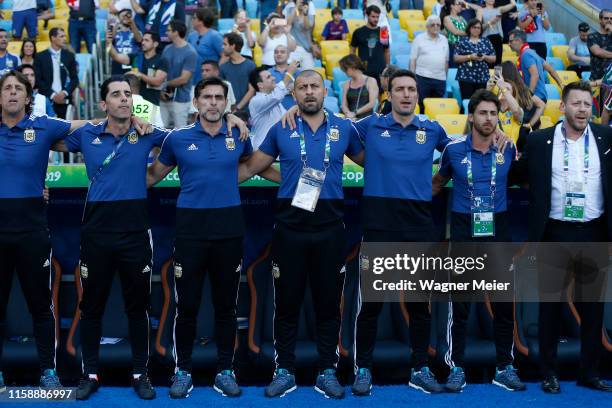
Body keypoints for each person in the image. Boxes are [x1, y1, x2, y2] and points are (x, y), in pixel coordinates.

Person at [0, 70, 145, 394]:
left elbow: (90, 126)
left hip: (32, 231)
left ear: (29, 97)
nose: (11, 93)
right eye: (6, 88)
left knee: (40, 306)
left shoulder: (45, 125)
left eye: (17, 89)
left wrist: (129, 119)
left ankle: (48, 371)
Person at [239, 70, 365, 399]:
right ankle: (285, 371)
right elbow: (252, 166)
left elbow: (372, 160)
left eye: (314, 87)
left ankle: (328, 371)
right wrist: (286, 177)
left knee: (328, 305)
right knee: (288, 304)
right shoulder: (282, 127)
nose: (309, 92)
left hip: (330, 230)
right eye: (302, 87)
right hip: (289, 230)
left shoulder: (343, 128)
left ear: (325, 92)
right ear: (293, 94)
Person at [145, 77, 271, 399]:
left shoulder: (239, 135)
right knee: (186, 306)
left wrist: (296, 181)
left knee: (226, 307)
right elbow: (152, 176)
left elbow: (255, 166)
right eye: (207, 97)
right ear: (196, 102)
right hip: (190, 232)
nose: (213, 102)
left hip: (229, 231)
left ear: (226, 103)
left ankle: (225, 371)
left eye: (219, 97)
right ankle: (183, 371)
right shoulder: (177, 139)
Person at [56, 76, 167, 400]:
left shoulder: (146, 133)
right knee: (91, 307)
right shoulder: (87, 134)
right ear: (103, 104)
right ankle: (89, 374)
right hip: (96, 234)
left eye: (127, 95)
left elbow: (184, 139)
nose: (124, 99)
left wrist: (230, 116)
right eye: (116, 95)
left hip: (135, 234)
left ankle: (140, 373)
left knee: (138, 307)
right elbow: (46, 137)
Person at [510, 81, 612, 394]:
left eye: (586, 104)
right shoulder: (541, 141)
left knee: (593, 308)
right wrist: (508, 145)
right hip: (554, 231)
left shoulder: (606, 137)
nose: (582, 109)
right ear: (563, 107)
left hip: (594, 231)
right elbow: (517, 176)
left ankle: (590, 373)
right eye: (576, 104)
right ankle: (548, 372)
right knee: (550, 306)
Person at [432, 90, 525, 392]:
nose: (488, 119)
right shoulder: (453, 150)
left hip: (498, 231)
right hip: (463, 230)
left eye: (493, 114)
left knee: (503, 305)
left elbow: (522, 127)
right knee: (461, 305)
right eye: (483, 113)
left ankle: (504, 366)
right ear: (471, 116)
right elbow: (435, 185)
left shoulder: (507, 148)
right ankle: (456, 366)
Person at [110, 31, 168, 106]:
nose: (143, 42)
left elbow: (157, 81)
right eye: (143, 40)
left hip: (152, 103)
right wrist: (109, 44)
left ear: (155, 44)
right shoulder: (136, 57)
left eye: (146, 40)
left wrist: (139, 75)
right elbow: (116, 56)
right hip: (134, 102)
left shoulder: (161, 60)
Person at [248, 62, 298, 149]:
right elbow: (277, 95)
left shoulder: (273, 97)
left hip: (277, 149)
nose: (274, 78)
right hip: (262, 150)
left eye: (271, 75)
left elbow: (280, 90)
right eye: (269, 77)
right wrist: (289, 74)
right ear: (260, 85)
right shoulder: (255, 101)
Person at [495, 61, 546, 145]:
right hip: (514, 128)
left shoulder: (523, 90)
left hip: (522, 131)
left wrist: (530, 124)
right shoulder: (503, 91)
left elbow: (541, 104)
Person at [33, 28, 79, 119]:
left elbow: (74, 79)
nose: (65, 39)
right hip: (46, 100)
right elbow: (38, 79)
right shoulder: (40, 56)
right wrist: (53, 95)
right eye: (61, 36)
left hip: (64, 100)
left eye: (65, 36)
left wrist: (64, 93)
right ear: (53, 38)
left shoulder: (69, 56)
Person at [160, 20, 198, 129]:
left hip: (180, 100)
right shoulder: (167, 49)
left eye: (168, 30)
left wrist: (163, 85)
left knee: (179, 131)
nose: (166, 33)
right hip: (164, 97)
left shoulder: (190, 52)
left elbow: (184, 79)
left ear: (176, 32)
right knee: (162, 129)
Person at [508, 29, 562, 104]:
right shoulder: (531, 53)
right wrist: (561, 84)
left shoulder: (526, 54)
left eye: (511, 41)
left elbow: (535, 75)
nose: (509, 44)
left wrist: (529, 95)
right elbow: (549, 68)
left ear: (519, 40)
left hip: (535, 97)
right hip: (540, 97)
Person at [410, 15, 449, 113]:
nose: (436, 27)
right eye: (433, 25)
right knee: (422, 106)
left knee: (437, 108)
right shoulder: (419, 39)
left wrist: (444, 76)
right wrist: (413, 79)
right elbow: (413, 60)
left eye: (438, 25)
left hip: (440, 79)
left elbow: (446, 61)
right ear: (427, 26)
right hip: (422, 78)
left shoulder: (444, 39)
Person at [454, 18, 496, 100]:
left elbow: (494, 58)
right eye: (474, 27)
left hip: (482, 76)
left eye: (478, 28)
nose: (476, 29)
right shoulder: (462, 41)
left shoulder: (486, 41)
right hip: (466, 76)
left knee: (480, 101)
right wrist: (470, 57)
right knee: (467, 101)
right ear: (469, 28)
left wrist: (485, 57)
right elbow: (456, 58)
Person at [465, 0, 516, 66]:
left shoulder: (499, 9)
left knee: (498, 63)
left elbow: (513, 4)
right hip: (486, 39)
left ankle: (497, 76)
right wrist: (490, 22)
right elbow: (477, 28)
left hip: (498, 39)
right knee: (486, 63)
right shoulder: (481, 11)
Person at [350, 6, 390, 90]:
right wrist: (354, 66)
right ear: (367, 16)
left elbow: (386, 51)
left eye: (377, 17)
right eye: (373, 16)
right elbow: (352, 50)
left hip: (380, 70)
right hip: (364, 70)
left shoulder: (383, 31)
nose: (376, 19)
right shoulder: (358, 32)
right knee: (364, 95)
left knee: (380, 94)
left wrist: (387, 67)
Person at [220, 33, 257, 113]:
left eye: (225, 44)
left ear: (232, 46)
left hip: (247, 112)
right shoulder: (223, 67)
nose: (222, 47)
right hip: (228, 111)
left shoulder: (250, 65)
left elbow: (252, 90)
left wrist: (237, 108)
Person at [587, 8, 612, 121]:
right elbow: (598, 52)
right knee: (599, 115)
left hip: (610, 82)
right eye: (606, 18)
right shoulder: (592, 36)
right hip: (597, 81)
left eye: (611, 19)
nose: (609, 21)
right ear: (600, 20)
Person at [187, 8, 223, 83]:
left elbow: (225, 56)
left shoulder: (215, 36)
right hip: (192, 78)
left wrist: (215, 71)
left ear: (201, 21)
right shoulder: (191, 36)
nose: (192, 20)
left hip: (209, 79)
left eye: (194, 18)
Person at [339, 54, 379, 120]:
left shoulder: (371, 81)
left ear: (352, 67)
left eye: (345, 69)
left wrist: (354, 113)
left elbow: (372, 104)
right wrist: (348, 114)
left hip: (365, 118)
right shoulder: (347, 84)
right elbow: (344, 105)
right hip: (349, 117)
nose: (344, 72)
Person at [285, 0, 320, 69]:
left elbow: (307, 27)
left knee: (308, 74)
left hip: (307, 49)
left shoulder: (308, 13)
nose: (301, 2)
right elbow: (288, 23)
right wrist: (296, 7)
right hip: (294, 49)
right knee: (291, 73)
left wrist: (305, 14)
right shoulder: (291, 10)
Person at [110, 8, 143, 75]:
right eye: (123, 16)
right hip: (118, 61)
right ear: (118, 18)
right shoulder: (114, 30)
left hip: (133, 61)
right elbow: (110, 41)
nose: (126, 17)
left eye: (128, 15)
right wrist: (117, 24)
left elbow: (139, 40)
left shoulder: (136, 29)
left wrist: (132, 23)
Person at [268, 44, 301, 110]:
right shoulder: (268, 73)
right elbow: (270, 94)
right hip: (274, 112)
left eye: (282, 52)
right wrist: (288, 89)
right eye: (276, 52)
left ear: (288, 55)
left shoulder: (297, 72)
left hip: (295, 110)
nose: (279, 54)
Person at [441, 0, 467, 68]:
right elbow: (455, 32)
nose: (460, 6)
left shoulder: (462, 18)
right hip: (453, 46)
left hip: (465, 46)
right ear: (452, 6)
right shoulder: (447, 18)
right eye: (458, 4)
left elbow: (468, 29)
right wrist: (470, 33)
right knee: (454, 68)